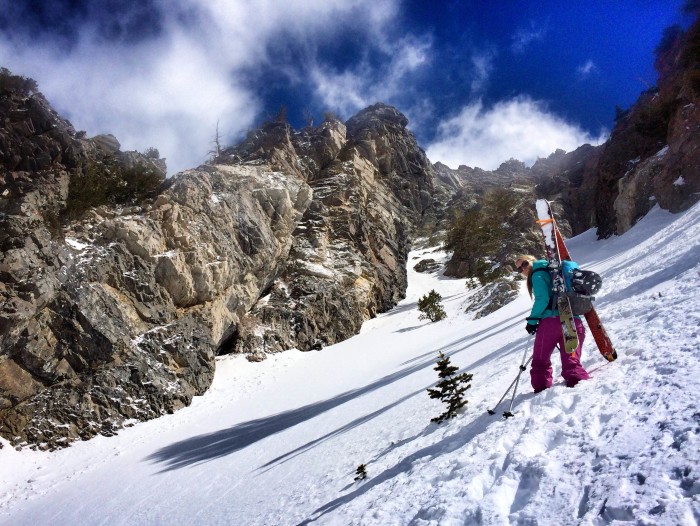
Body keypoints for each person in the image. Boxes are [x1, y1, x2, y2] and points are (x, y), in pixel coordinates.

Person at [514, 255, 590, 393]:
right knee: (571, 360)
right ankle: (580, 388)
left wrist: (532, 321)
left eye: (524, 264)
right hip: (572, 318)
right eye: (519, 269)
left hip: (550, 323)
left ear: (532, 259)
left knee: (540, 361)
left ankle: (541, 388)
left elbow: (542, 299)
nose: (523, 269)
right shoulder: (557, 271)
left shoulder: (537, 273)